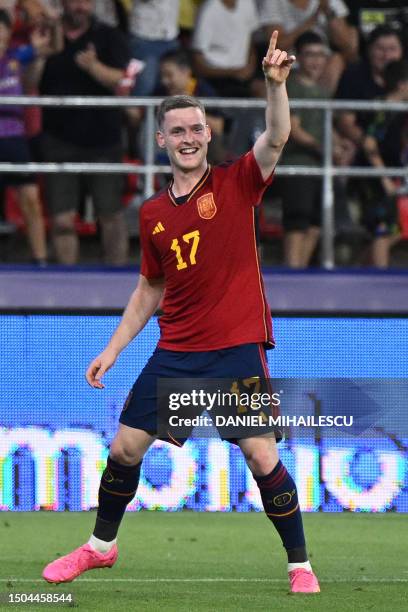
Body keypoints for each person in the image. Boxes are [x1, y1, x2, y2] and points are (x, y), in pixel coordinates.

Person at [42, 32, 320, 594]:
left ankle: (300, 566)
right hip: (176, 352)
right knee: (123, 448)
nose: (189, 138)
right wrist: (113, 349)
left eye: (197, 129)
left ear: (208, 134)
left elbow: (279, 135)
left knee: (261, 456)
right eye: (178, 132)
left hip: (236, 345)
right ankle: (101, 548)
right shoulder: (150, 214)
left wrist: (274, 85)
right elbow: (150, 289)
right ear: (161, 141)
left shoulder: (237, 181)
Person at [33, 0, 131, 265]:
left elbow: (122, 80)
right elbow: (30, 83)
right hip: (58, 139)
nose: (80, 6)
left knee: (111, 217)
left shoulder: (108, 35)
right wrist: (39, 56)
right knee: (62, 220)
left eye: (87, 1)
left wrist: (93, 66)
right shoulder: (46, 34)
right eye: (75, 0)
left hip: (103, 141)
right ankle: (66, 287)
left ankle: (118, 287)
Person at [277, 31, 330, 267]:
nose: (316, 60)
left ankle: (301, 274)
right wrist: (325, 147)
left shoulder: (323, 92)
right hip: (296, 165)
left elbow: (326, 128)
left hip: (319, 165)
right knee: (297, 222)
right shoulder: (293, 86)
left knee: (316, 224)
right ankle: (292, 274)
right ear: (298, 58)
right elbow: (294, 129)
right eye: (310, 55)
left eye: (320, 55)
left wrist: (339, 145)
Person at [0, 8, 48, 265]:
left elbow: (46, 48)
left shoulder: (17, 57)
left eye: (2, 32)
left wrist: (39, 46)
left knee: (30, 198)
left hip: (14, 138)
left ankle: (40, 260)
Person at [355, 59, 408, 266]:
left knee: (395, 230)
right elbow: (369, 144)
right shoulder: (384, 109)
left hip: (390, 177)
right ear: (402, 84)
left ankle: (358, 271)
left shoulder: (399, 111)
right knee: (384, 231)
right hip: (374, 179)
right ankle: (379, 280)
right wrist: (384, 178)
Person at [257, 0, 359, 93]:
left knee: (337, 61)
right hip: (290, 63)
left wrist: (328, 12)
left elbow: (348, 46)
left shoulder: (328, 2)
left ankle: (323, 105)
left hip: (323, 62)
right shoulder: (272, 2)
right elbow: (278, 45)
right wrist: (312, 20)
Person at [192, 0, 259, 97]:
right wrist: (232, 72)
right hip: (215, 79)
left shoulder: (247, 3)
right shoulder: (208, 9)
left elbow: (251, 41)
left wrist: (249, 68)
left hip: (244, 78)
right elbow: (198, 61)